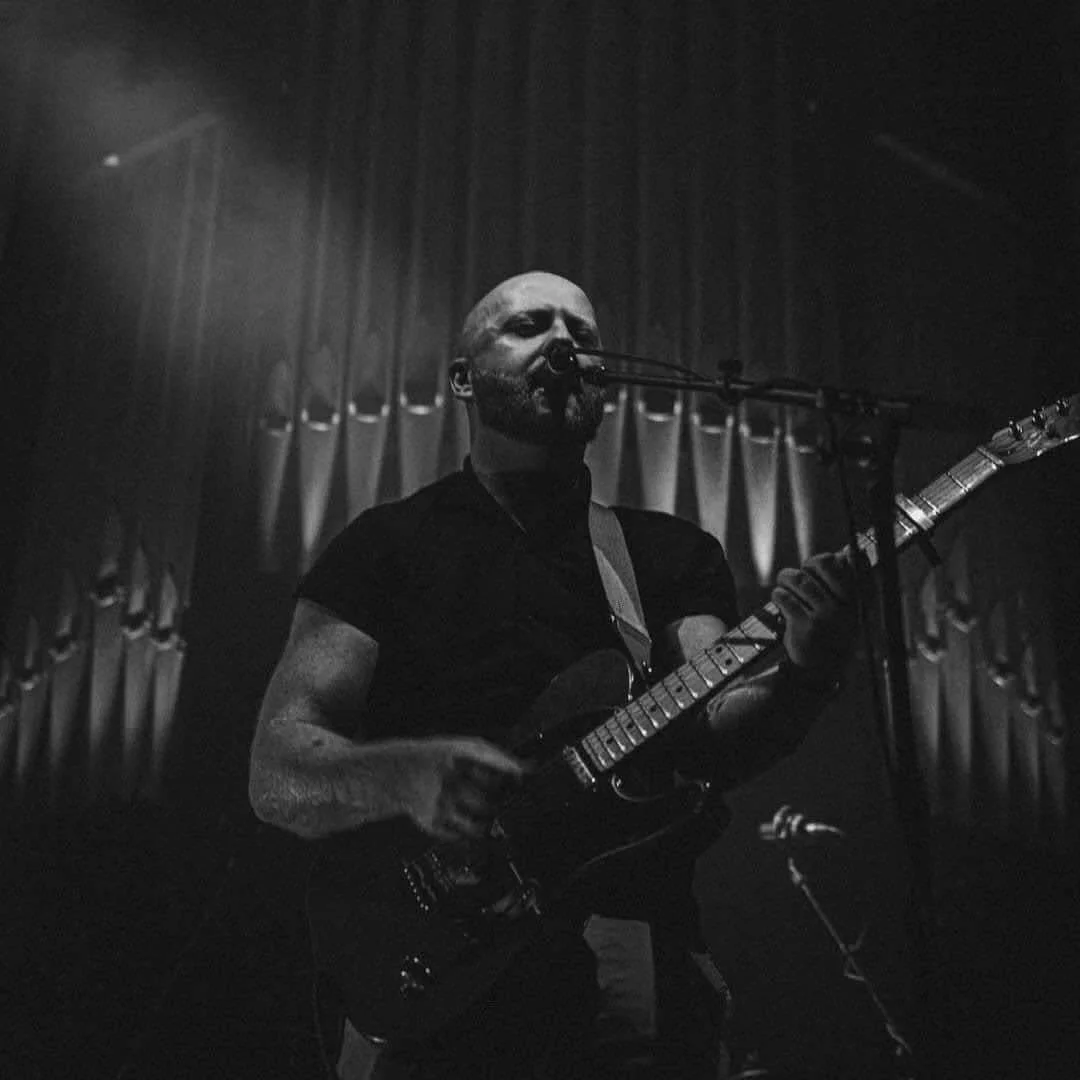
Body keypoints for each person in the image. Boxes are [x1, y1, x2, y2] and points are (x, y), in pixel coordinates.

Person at [248, 271, 859, 1079]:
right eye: (530, 325)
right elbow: (278, 770)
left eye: (583, 333)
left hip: (623, 948)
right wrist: (407, 775)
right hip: (428, 966)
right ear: (464, 378)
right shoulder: (384, 545)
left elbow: (713, 734)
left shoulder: (667, 553)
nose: (564, 341)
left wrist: (809, 670)